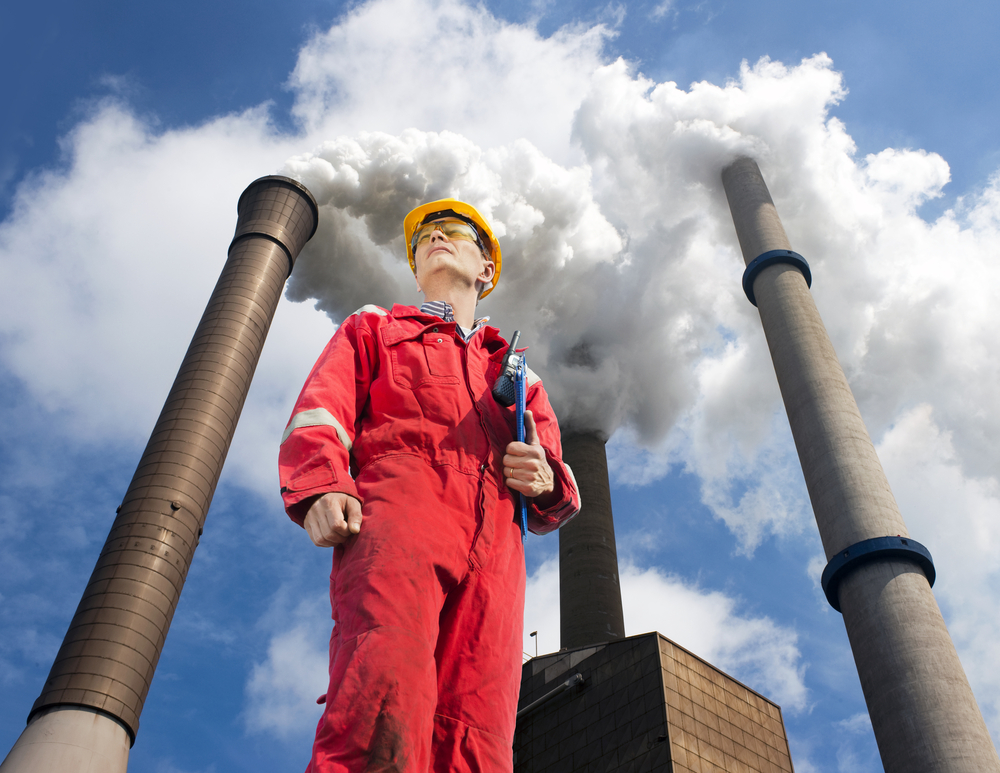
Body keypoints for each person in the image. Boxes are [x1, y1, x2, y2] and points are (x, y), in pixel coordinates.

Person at [278, 199, 580, 772]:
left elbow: (555, 483)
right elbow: (320, 412)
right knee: (382, 689)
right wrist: (321, 484)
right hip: (400, 513)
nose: (437, 238)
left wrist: (545, 480)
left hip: (496, 548)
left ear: (487, 269)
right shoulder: (376, 328)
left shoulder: (515, 372)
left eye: (455, 232)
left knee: (478, 729)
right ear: (417, 268)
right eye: (425, 238)